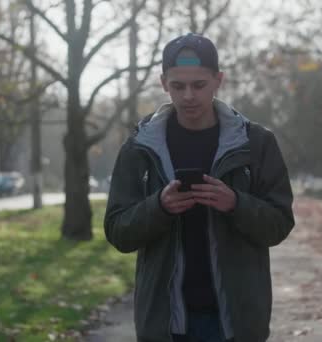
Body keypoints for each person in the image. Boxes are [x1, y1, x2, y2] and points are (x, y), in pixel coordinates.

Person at [104, 33, 295, 342]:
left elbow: (280, 225)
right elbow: (117, 231)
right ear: (164, 83)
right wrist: (159, 207)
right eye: (178, 86)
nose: (188, 96)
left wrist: (235, 203)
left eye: (199, 85)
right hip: (165, 322)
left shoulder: (256, 143)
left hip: (236, 321)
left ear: (218, 80)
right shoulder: (139, 147)